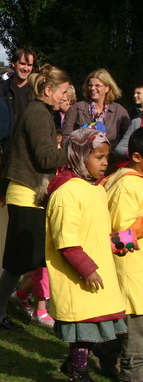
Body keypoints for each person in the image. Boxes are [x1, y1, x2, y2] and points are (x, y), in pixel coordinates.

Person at [0, 64, 70, 331]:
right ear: (48, 90)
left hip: (26, 193)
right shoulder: (38, 114)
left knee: (30, 259)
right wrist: (76, 150)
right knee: (21, 260)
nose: (65, 98)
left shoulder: (37, 112)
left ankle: (12, 304)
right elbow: (46, 158)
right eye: (63, 92)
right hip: (27, 194)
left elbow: (14, 153)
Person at [45, 128, 126, 382]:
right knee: (83, 327)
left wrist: (122, 241)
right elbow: (65, 239)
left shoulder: (97, 189)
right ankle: (79, 371)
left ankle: (73, 366)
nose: (105, 163)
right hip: (79, 274)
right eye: (98, 157)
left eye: (106, 157)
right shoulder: (66, 192)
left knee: (96, 326)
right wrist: (86, 268)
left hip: (99, 270)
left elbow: (100, 229)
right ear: (79, 155)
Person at [94, 127, 143, 381]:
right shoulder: (127, 186)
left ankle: (104, 350)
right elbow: (120, 239)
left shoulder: (132, 183)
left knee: (125, 333)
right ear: (136, 156)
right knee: (137, 346)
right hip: (132, 278)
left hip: (136, 277)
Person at [62, 68, 130, 153]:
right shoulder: (76, 109)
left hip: (111, 162)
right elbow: (66, 137)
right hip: (82, 160)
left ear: (107, 88)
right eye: (90, 85)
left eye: (97, 85)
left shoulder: (119, 111)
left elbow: (127, 140)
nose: (92, 88)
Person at [0, 46, 37, 132]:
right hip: (6, 143)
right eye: (22, 64)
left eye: (29, 65)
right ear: (13, 63)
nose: (26, 68)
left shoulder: (36, 91)